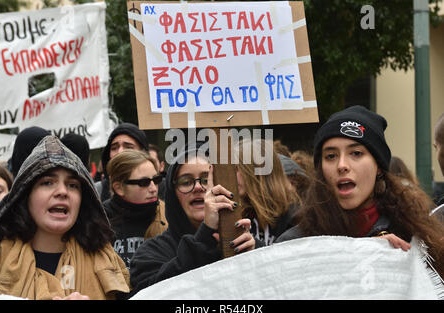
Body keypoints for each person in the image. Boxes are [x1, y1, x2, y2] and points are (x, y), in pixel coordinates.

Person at [276, 106, 444, 279]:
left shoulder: (415, 239)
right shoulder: (294, 243)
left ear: (378, 166)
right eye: (331, 156)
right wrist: (357, 255)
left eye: (356, 153)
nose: (342, 165)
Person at [0, 136, 130, 299]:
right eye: (47, 182)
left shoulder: (107, 259)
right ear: (26, 194)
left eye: (72, 185)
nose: (62, 191)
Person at [129, 144, 255, 294]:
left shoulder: (245, 243)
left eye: (206, 179)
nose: (197, 188)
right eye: (186, 182)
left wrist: (255, 257)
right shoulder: (151, 252)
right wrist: (205, 235)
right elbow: (154, 293)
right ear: (173, 194)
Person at [103, 150, 168, 268]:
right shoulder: (100, 219)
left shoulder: (169, 215)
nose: (153, 189)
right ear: (119, 188)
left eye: (156, 180)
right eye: (144, 182)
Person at [235, 139, 300, 246]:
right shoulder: (240, 215)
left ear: (258, 172)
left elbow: (287, 259)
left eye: (237, 168)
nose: (231, 175)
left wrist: (255, 246)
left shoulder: (296, 217)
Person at [96, 123, 149, 202]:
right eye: (114, 148)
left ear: (143, 152)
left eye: (128, 147)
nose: (120, 152)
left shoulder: (156, 186)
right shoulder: (97, 190)